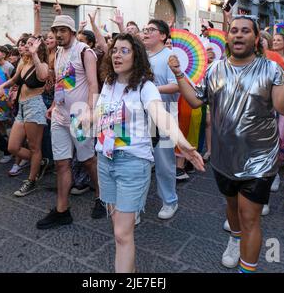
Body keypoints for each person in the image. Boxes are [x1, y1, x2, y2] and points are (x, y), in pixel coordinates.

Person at [169, 15, 284, 273]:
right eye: (234, 31)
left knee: (250, 217)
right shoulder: (214, 69)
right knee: (231, 207)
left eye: (245, 31)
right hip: (223, 158)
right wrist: (178, 74)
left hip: (259, 158)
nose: (239, 35)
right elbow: (197, 100)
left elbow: (282, 106)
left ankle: (247, 269)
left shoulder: (271, 69)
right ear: (228, 37)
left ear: (256, 39)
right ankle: (234, 239)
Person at [95, 33, 204, 273]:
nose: (117, 54)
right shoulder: (109, 83)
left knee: (122, 233)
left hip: (132, 163)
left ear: (137, 56)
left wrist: (182, 142)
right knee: (119, 231)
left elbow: (160, 115)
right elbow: (99, 115)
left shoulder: (146, 86)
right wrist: (83, 119)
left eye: (125, 50)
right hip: (105, 161)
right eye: (115, 50)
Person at [36, 15, 105, 229]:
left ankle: (101, 197)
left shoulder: (85, 51)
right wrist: (54, 105)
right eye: (56, 30)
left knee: (87, 160)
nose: (58, 34)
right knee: (61, 163)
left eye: (63, 30)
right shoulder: (58, 52)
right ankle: (62, 210)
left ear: (72, 31)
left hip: (79, 115)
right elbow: (62, 82)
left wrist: (90, 112)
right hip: (60, 115)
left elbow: (94, 84)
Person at [0, 36, 50, 196]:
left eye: (31, 44)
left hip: (35, 106)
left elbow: (42, 77)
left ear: (39, 48)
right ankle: (39, 161)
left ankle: (31, 181)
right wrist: (2, 86)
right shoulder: (23, 63)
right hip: (22, 107)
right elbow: (14, 79)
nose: (27, 46)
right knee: (12, 147)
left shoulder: (43, 65)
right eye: (26, 44)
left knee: (34, 147)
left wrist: (34, 55)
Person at [142, 19, 180, 220]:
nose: (146, 33)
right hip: (142, 116)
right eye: (145, 29)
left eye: (151, 30)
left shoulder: (169, 57)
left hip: (164, 115)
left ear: (163, 36)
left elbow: (177, 86)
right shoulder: (142, 57)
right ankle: (137, 203)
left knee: (164, 162)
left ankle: (169, 201)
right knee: (140, 160)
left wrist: (150, 90)